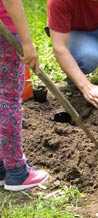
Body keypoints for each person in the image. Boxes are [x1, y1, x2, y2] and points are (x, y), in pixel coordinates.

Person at [0, 0, 49, 191]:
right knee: (8, 98)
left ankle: (2, 166)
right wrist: (27, 43)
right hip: (5, 34)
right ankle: (17, 171)